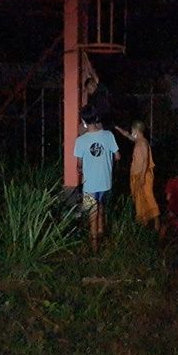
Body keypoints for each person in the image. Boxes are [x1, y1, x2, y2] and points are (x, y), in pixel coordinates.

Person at [74, 106, 120, 251]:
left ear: (83, 121)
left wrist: (80, 168)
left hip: (89, 185)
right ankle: (101, 231)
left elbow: (79, 164)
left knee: (91, 213)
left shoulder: (80, 140)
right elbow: (118, 156)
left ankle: (94, 247)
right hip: (106, 183)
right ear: (97, 118)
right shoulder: (108, 135)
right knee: (101, 206)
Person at [115, 121, 160, 229]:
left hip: (143, 175)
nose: (131, 131)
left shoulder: (143, 143)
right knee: (139, 198)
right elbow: (127, 135)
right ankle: (143, 221)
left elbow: (145, 160)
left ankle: (156, 222)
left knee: (148, 197)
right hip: (136, 174)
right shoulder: (138, 141)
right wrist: (117, 128)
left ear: (136, 130)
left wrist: (143, 177)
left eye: (132, 130)